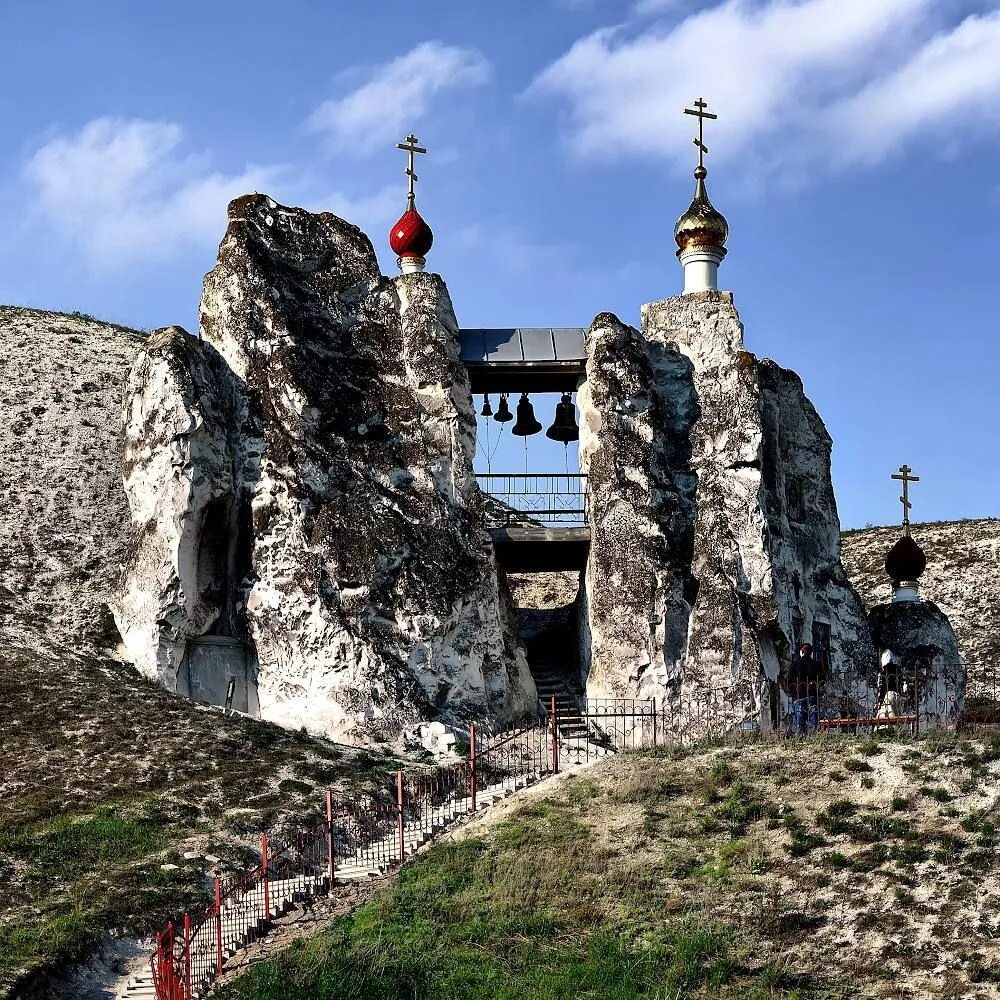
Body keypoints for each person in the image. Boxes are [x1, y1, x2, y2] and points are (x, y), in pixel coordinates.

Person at [786, 643, 821, 734]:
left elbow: (789, 680)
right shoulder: (816, 664)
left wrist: (792, 690)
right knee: (813, 716)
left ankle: (801, 736)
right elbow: (822, 679)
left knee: (799, 717)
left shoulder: (795, 665)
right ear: (810, 653)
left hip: (799, 695)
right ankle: (814, 735)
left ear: (801, 652)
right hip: (812, 694)